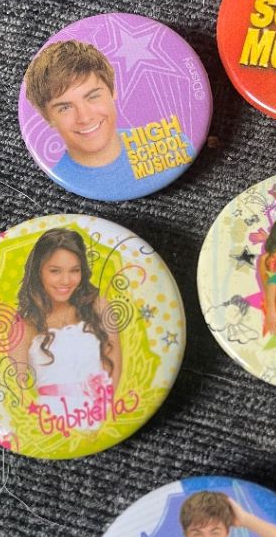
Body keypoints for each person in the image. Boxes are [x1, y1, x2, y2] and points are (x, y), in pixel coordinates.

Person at [23, 40, 194, 195]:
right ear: (47, 117)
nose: (85, 117)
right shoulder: (60, 180)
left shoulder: (171, 143)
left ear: (113, 92)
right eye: (65, 108)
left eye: (93, 97)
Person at [12, 228, 122, 425]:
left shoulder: (99, 306)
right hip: (49, 421)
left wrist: (104, 418)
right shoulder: (24, 325)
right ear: (38, 271)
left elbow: (114, 362)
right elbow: (14, 389)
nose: (66, 281)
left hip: (99, 416)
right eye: (55, 271)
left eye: (74, 270)